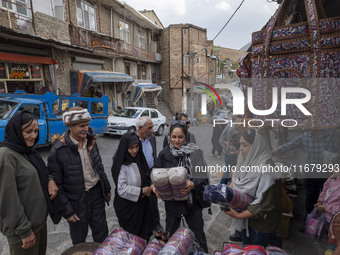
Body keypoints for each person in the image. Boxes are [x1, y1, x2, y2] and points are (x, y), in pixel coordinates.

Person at [47, 107, 112, 245]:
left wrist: (106, 189)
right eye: (82, 125)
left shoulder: (91, 142)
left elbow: (99, 168)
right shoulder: (58, 151)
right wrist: (68, 211)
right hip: (76, 201)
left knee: (102, 234)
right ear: (70, 126)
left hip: (96, 195)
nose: (86, 128)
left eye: (87, 124)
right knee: (79, 240)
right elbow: (57, 185)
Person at [0, 111, 59, 254]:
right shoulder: (6, 156)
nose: (34, 135)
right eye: (28, 131)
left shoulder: (28, 151)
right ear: (15, 131)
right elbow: (7, 200)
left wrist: (50, 180)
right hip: (23, 232)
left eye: (36, 131)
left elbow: (39, 173)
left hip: (38, 225)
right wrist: (24, 231)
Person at [154, 120, 209, 252]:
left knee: (198, 232)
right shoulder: (164, 153)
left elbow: (203, 174)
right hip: (172, 202)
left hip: (192, 201)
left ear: (186, 137)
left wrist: (193, 183)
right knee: (169, 232)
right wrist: (155, 186)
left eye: (180, 137)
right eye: (174, 137)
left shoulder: (195, 152)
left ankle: (203, 252)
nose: (177, 141)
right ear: (169, 137)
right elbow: (156, 172)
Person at [272, 129, 339, 230]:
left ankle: (328, 226)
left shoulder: (332, 134)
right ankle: (309, 224)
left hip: (328, 173)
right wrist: (276, 151)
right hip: (311, 173)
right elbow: (291, 144)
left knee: (330, 200)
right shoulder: (305, 136)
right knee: (310, 200)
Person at [225, 129, 282, 247]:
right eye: (240, 144)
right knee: (247, 248)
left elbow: (264, 204)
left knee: (256, 249)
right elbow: (238, 181)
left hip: (261, 224)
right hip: (247, 220)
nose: (240, 148)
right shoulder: (247, 162)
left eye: (244, 145)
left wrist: (238, 215)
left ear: (257, 146)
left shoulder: (267, 170)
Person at [111, 132, 156, 241]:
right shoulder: (122, 164)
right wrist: (141, 191)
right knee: (131, 237)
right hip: (128, 208)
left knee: (144, 233)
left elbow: (146, 175)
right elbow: (121, 189)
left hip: (143, 204)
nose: (135, 150)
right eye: (131, 148)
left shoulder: (140, 159)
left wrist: (150, 187)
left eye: (136, 147)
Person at [136, 116, 163, 232]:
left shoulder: (152, 138)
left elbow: (154, 156)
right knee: (142, 201)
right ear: (140, 128)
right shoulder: (133, 140)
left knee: (153, 200)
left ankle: (156, 224)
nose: (152, 130)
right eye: (149, 128)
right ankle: (143, 226)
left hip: (151, 172)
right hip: (139, 175)